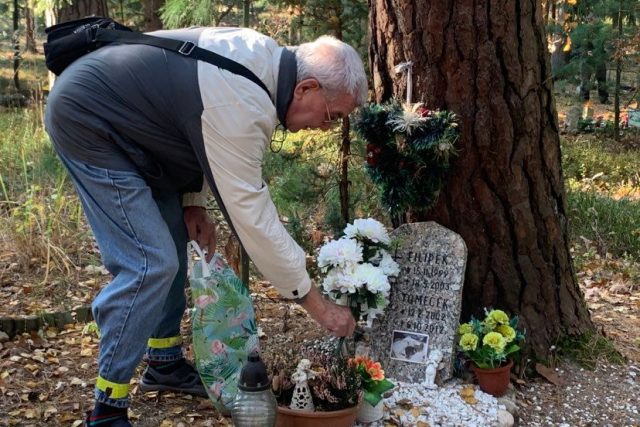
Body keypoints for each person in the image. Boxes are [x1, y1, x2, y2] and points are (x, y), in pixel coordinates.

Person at [44, 26, 366, 426]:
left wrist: (193, 203)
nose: (326, 127)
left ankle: (164, 362)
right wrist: (317, 307)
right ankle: (107, 407)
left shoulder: (259, 61)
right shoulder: (244, 100)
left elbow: (191, 118)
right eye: (331, 115)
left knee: (173, 248)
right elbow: (254, 218)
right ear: (306, 88)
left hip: (139, 133)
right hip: (92, 122)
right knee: (150, 264)